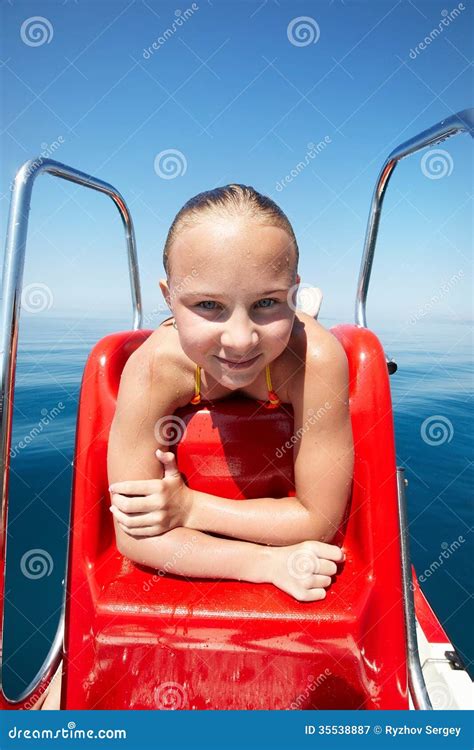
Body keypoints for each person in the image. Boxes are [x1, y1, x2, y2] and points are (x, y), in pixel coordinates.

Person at [40, 184, 354, 709]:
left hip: (292, 354)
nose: (239, 339)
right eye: (207, 304)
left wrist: (191, 506)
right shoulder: (153, 367)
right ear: (168, 299)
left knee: (285, 338)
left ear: (292, 291)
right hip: (187, 365)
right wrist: (264, 565)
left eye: (267, 303)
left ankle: (278, 307)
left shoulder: (315, 361)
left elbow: (320, 520)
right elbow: (136, 541)